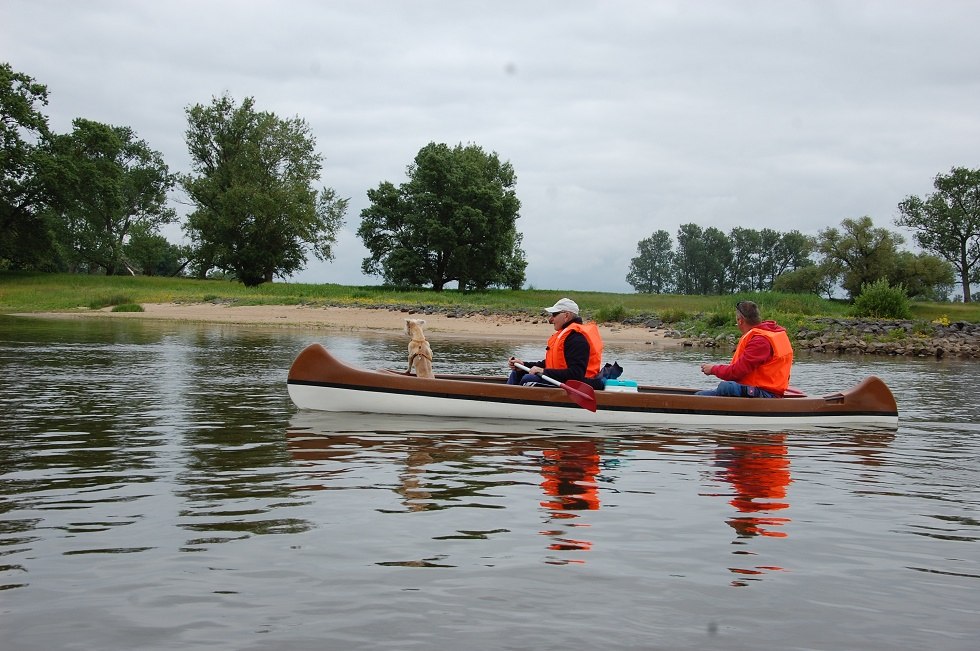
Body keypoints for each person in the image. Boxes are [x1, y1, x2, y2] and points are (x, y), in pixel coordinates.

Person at [696, 300, 793, 397]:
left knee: (726, 387)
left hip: (766, 393)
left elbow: (736, 372)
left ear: (740, 320)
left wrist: (713, 369)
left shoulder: (760, 341)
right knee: (700, 395)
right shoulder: (770, 334)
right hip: (763, 389)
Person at [507, 298, 604, 387]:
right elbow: (549, 363)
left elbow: (576, 373)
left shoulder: (577, 339)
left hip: (578, 384)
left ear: (566, 315)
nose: (551, 319)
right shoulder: (564, 335)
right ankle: (506, 400)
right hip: (560, 379)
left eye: (554, 315)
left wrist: (544, 371)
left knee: (528, 379)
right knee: (517, 373)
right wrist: (524, 365)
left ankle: (511, 400)